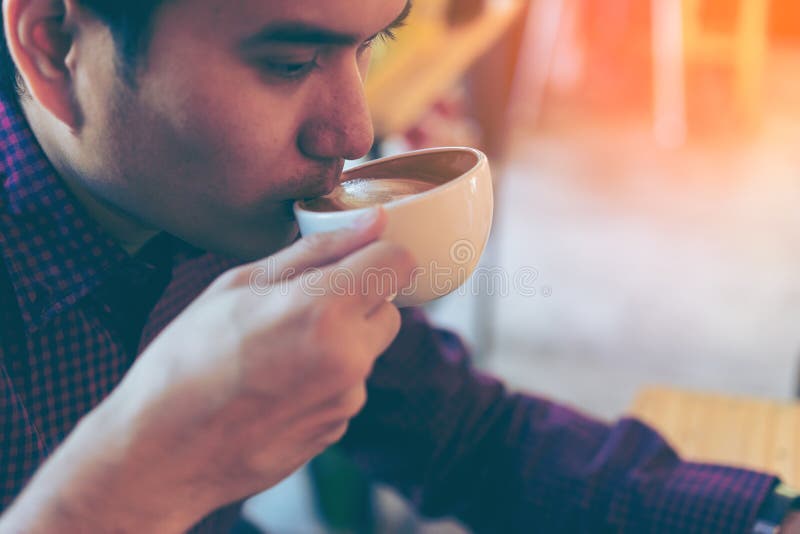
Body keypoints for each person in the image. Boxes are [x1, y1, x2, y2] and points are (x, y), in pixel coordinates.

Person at [0, 1, 796, 532]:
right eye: (287, 63)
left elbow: (462, 436)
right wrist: (139, 473)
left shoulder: (234, 210)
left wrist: (762, 517)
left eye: (369, 44)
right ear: (55, 46)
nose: (354, 132)